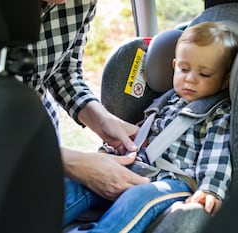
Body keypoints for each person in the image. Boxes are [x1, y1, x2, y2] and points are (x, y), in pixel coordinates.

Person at [88, 21, 238, 232]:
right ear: (174, 66)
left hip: (175, 181)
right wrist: (108, 153)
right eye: (184, 69)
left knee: (138, 197)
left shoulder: (217, 113)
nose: (190, 79)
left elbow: (217, 154)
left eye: (204, 74)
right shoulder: (164, 102)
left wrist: (211, 189)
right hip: (137, 168)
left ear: (225, 80)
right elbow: (141, 135)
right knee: (79, 183)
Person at [23, 0, 149, 224]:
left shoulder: (82, 3)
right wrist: (75, 164)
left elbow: (65, 71)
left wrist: (103, 120)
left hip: (37, 128)